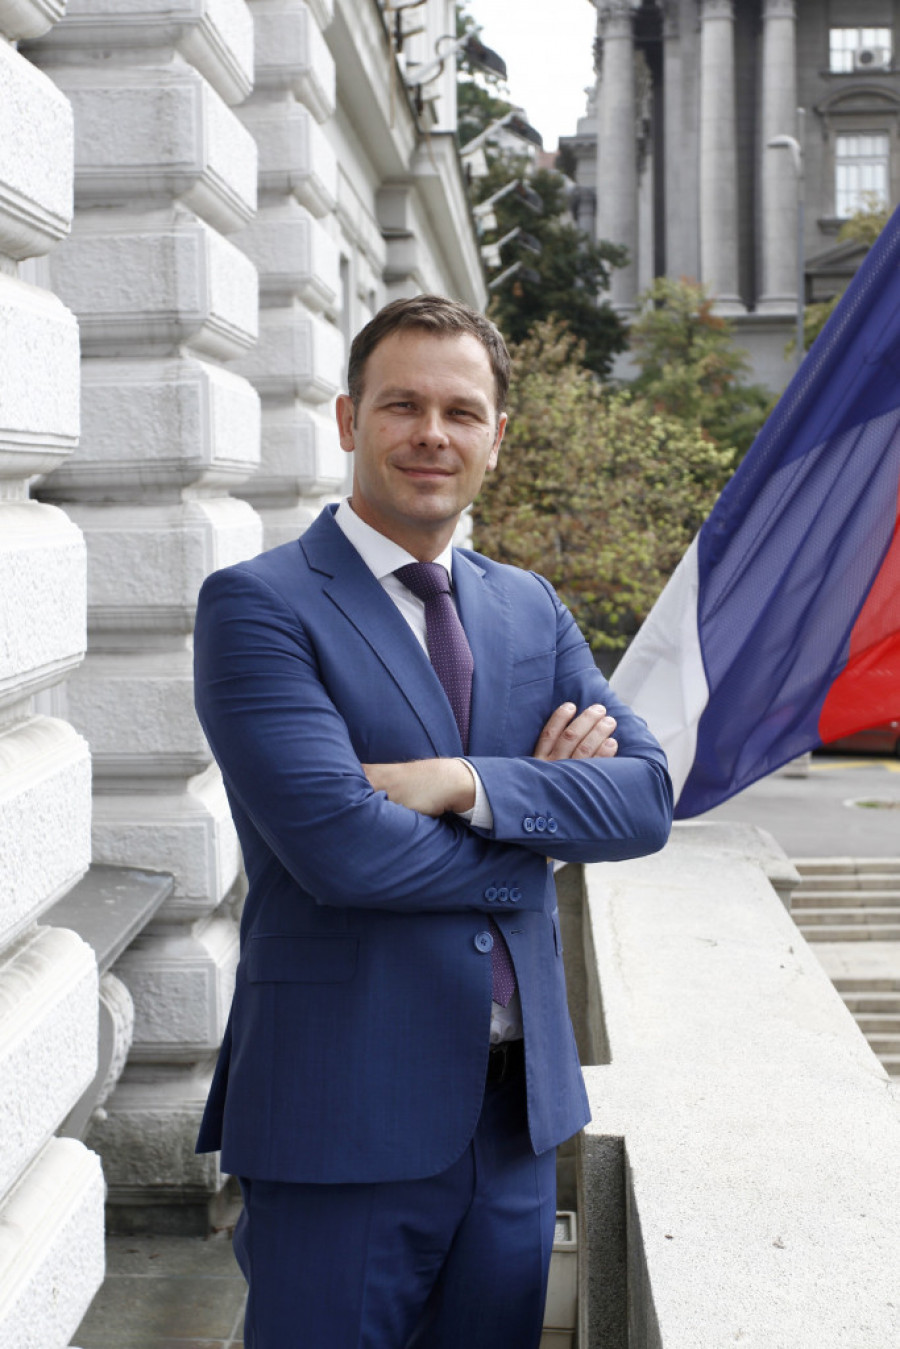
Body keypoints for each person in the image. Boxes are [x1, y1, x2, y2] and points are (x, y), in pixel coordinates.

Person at [193, 295, 673, 1349]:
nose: (431, 434)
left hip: (515, 1124)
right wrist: (539, 834)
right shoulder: (260, 605)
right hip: (340, 1112)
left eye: (461, 412)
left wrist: (461, 781)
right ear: (348, 419)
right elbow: (344, 849)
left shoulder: (529, 607)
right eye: (402, 405)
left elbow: (644, 799)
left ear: (496, 437)